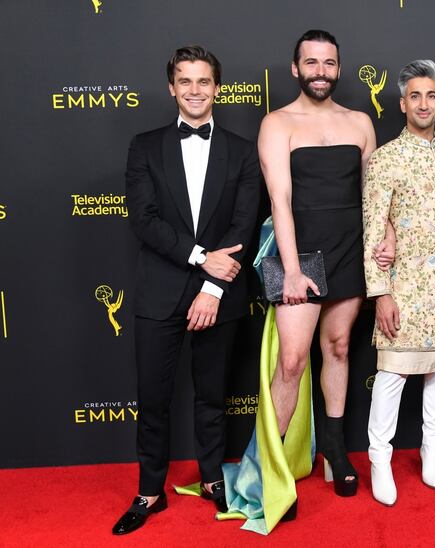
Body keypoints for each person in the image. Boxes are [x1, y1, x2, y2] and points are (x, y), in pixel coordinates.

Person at [113, 45, 261, 534]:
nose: (195, 91)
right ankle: (149, 491)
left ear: (217, 88)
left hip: (221, 295)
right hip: (161, 291)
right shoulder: (144, 145)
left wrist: (213, 289)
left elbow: (243, 223)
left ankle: (214, 478)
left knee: (212, 397)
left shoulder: (242, 150)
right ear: (171, 87)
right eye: (185, 81)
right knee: (153, 399)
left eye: (204, 82)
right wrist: (201, 260)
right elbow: (144, 220)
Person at [258, 29, 377, 498]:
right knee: (290, 362)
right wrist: (289, 269)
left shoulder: (361, 122)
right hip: (299, 253)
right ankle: (273, 464)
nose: (321, 72)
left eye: (329, 63)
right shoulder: (277, 122)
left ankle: (333, 447)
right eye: (312, 63)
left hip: (349, 247)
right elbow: (279, 200)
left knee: (340, 348)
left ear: (338, 68)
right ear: (295, 68)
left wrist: (381, 242)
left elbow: (372, 196)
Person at [362, 60, 435, 506]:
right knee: (392, 374)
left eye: (431, 96)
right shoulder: (384, 159)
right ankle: (379, 458)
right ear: (402, 103)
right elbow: (374, 230)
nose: (423, 103)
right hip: (404, 288)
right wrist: (381, 292)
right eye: (415, 96)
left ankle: (432, 449)